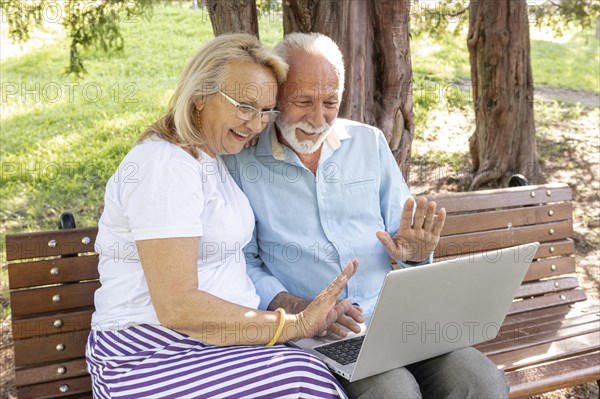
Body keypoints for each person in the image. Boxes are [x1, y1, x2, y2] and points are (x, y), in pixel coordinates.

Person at [224, 32, 509, 398]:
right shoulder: (242, 163)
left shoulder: (368, 143)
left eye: (330, 102)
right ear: (276, 96)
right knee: (395, 392)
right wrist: (296, 308)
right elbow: (242, 263)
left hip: (397, 322)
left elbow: (405, 242)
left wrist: (415, 255)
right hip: (319, 334)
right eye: (303, 101)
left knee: (481, 381)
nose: (317, 118)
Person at [87, 33, 358, 399]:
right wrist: (290, 325)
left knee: (306, 371)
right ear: (200, 96)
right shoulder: (165, 164)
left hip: (213, 346)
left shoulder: (211, 158)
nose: (257, 124)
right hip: (152, 352)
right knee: (302, 380)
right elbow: (177, 306)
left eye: (265, 111)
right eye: (244, 106)